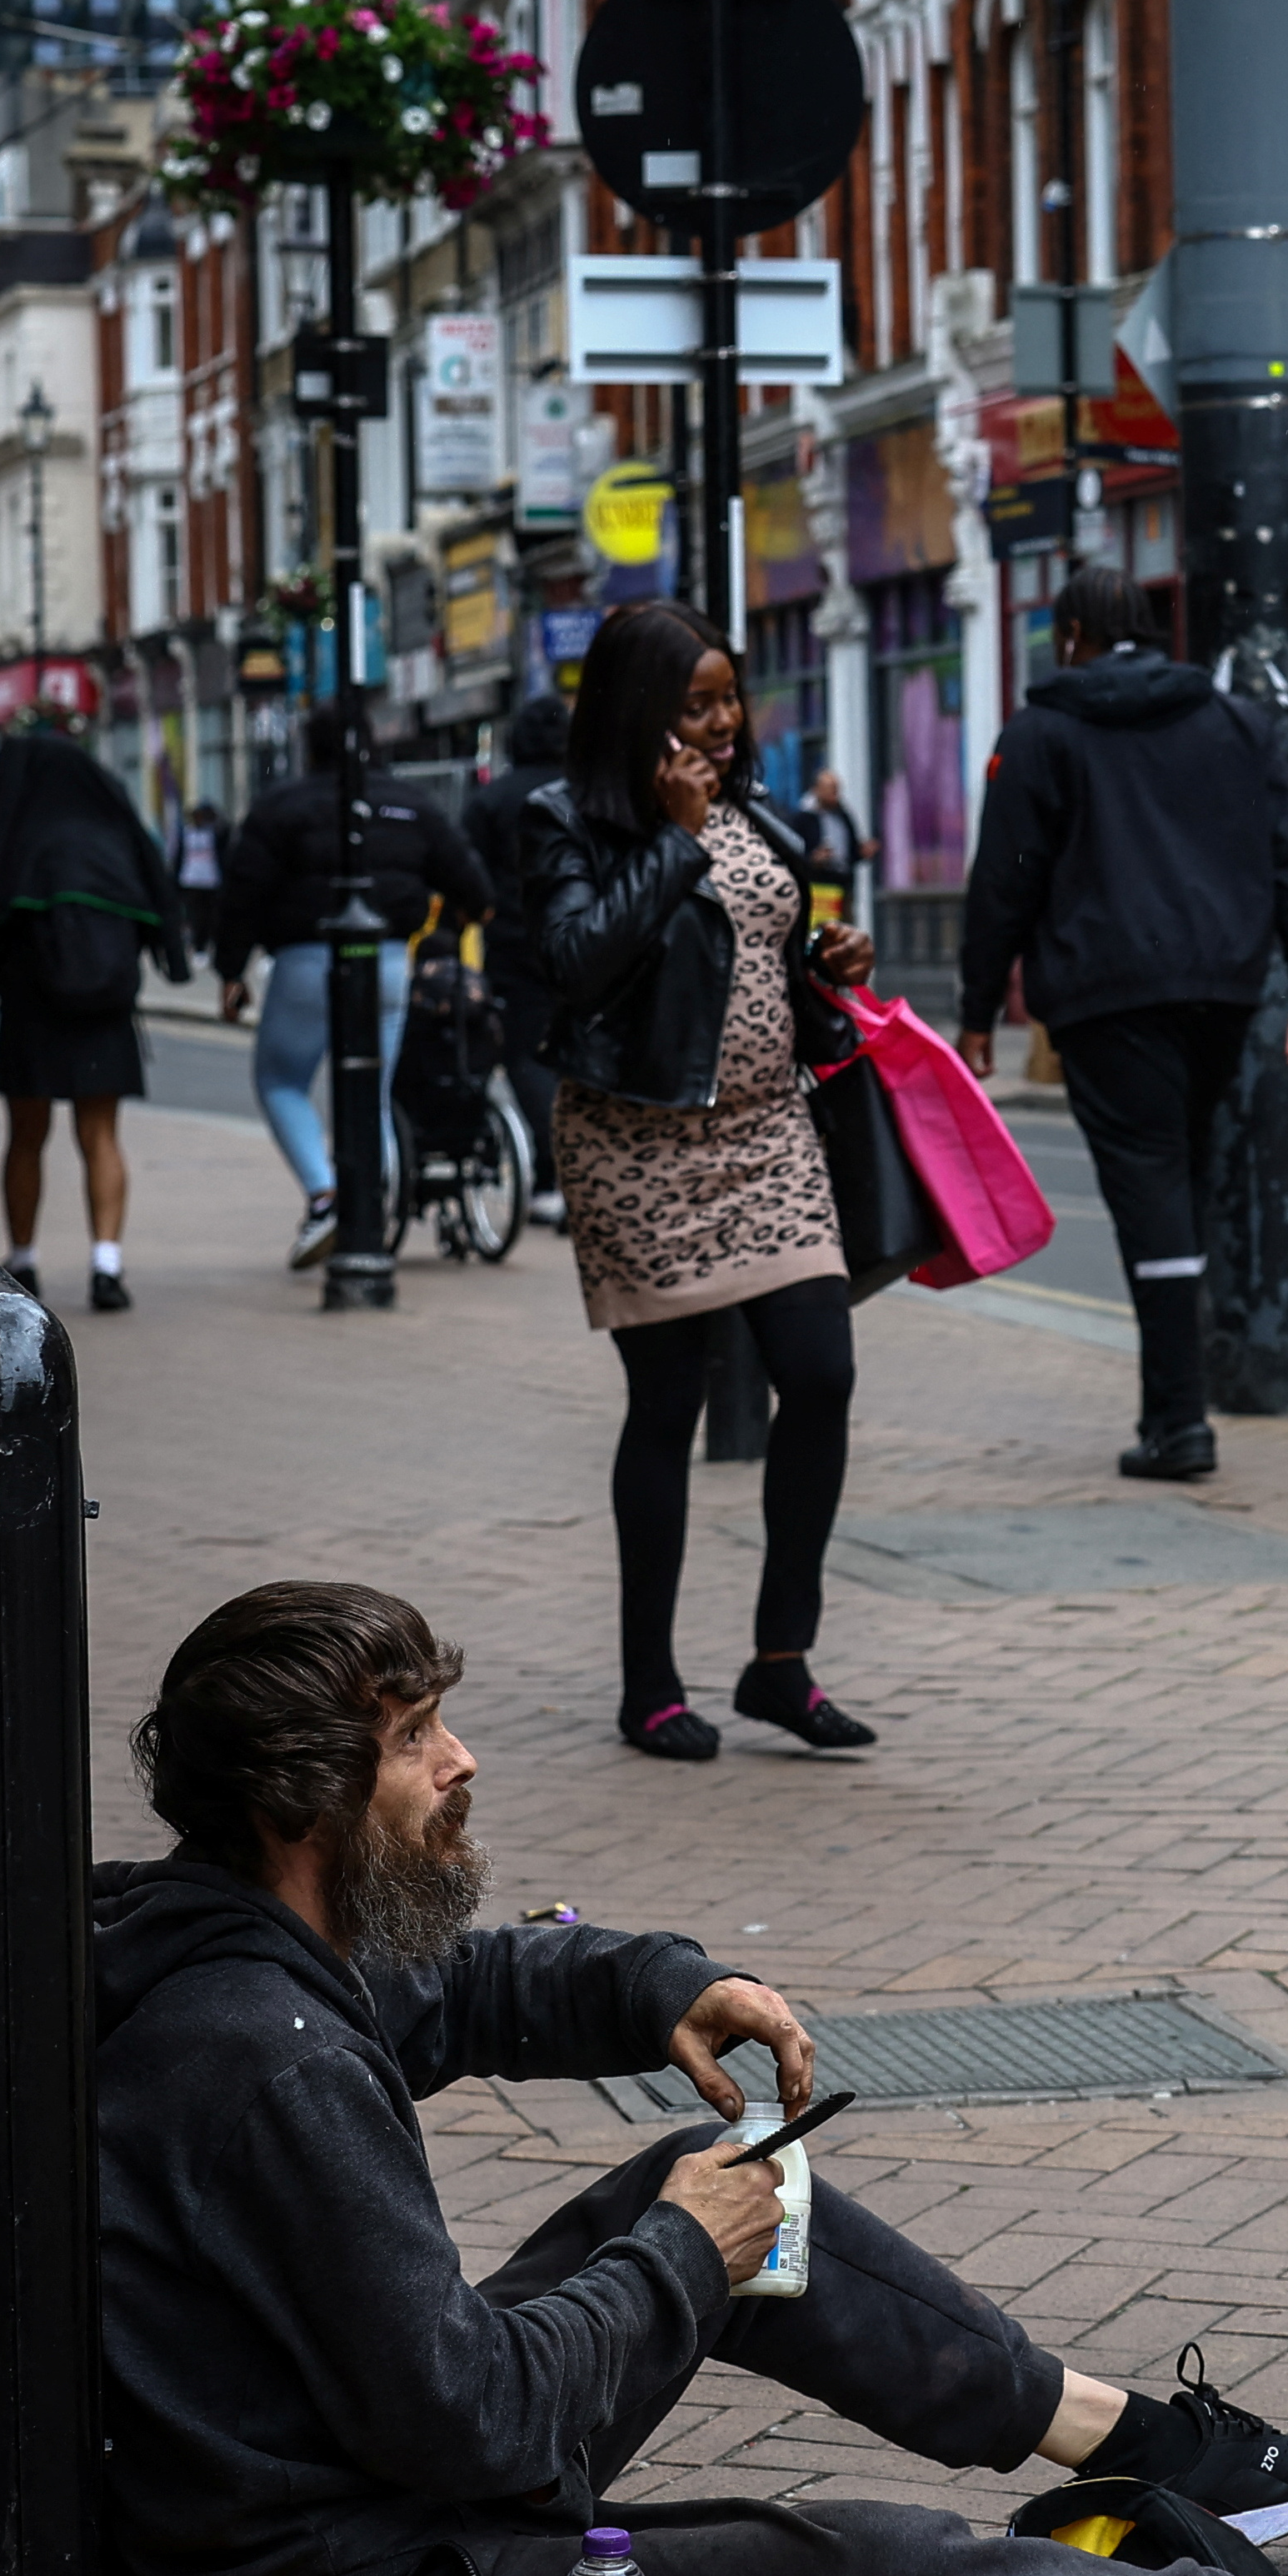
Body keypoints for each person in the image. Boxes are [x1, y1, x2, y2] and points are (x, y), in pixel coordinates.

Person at [93, 1580, 1288, 2576]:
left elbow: (467, 1988)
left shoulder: (245, 1945)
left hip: (383, 2484)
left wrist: (657, 1985)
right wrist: (684, 2252)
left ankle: (1136, 2446)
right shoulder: (269, 2061)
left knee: (740, 2185)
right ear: (304, 1798)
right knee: (859, 2570)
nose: (461, 1759)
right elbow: (474, 2421)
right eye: (413, 1738)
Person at [516, 604, 879, 1765]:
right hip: (638, 1141)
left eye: (728, 698)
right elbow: (575, 964)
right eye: (695, 704)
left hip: (768, 1134)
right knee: (666, 1407)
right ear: (637, 713)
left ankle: (781, 1660)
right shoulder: (565, 819)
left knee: (819, 1373)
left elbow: (762, 954)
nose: (723, 722)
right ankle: (650, 1683)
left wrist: (829, 963)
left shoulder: (759, 807)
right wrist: (672, 843)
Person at [951, 565, 1288, 1483]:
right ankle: (1174, 1410)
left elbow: (1001, 882)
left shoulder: (1043, 733)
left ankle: (1178, 1420)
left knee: (1150, 1193)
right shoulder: (1237, 722)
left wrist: (977, 1016)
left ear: (1073, 636)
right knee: (1186, 1178)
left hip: (1107, 993)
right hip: (1222, 986)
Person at [212, 702, 501, 1271]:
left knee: (280, 1080)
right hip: (390, 961)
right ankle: (372, 1207)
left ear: (311, 750)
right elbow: (476, 889)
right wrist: (446, 931)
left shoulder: (282, 807)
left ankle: (326, 1197)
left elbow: (243, 893)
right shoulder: (411, 805)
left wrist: (230, 971)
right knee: (372, 1090)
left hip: (304, 961)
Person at [0, 726, 186, 1313]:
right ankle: (106, 1262)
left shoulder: (20, 834)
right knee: (101, 1135)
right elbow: (159, 904)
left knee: (26, 1136)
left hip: (32, 1004)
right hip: (105, 1007)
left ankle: (25, 1257)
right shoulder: (111, 831)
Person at [461, 693, 577, 1228]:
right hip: (585, 938)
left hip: (512, 942)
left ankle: (556, 1171)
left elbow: (468, 874)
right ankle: (574, 1172)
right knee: (580, 1053)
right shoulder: (584, 794)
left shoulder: (493, 799)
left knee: (527, 1055)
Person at [795, 762, 870, 924]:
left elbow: (852, 850)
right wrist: (813, 859)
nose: (834, 794)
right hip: (819, 888)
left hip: (842, 886)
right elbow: (795, 854)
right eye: (830, 789)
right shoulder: (804, 818)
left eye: (836, 789)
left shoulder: (844, 816)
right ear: (816, 790)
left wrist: (862, 852)